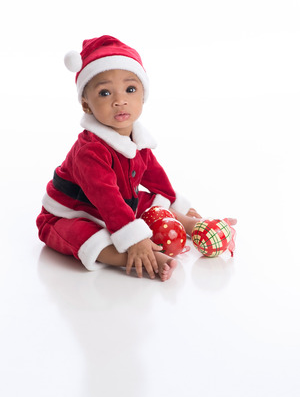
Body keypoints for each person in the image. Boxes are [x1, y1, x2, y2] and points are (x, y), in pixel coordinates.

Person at [36, 35, 233, 281]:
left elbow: (155, 175)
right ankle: (137, 257)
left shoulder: (137, 140)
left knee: (149, 201)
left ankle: (192, 224)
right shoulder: (90, 151)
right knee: (82, 235)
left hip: (118, 205)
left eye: (130, 89)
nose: (120, 100)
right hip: (70, 213)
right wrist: (135, 240)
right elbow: (106, 198)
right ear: (86, 105)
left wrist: (176, 203)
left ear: (143, 96)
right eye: (105, 93)